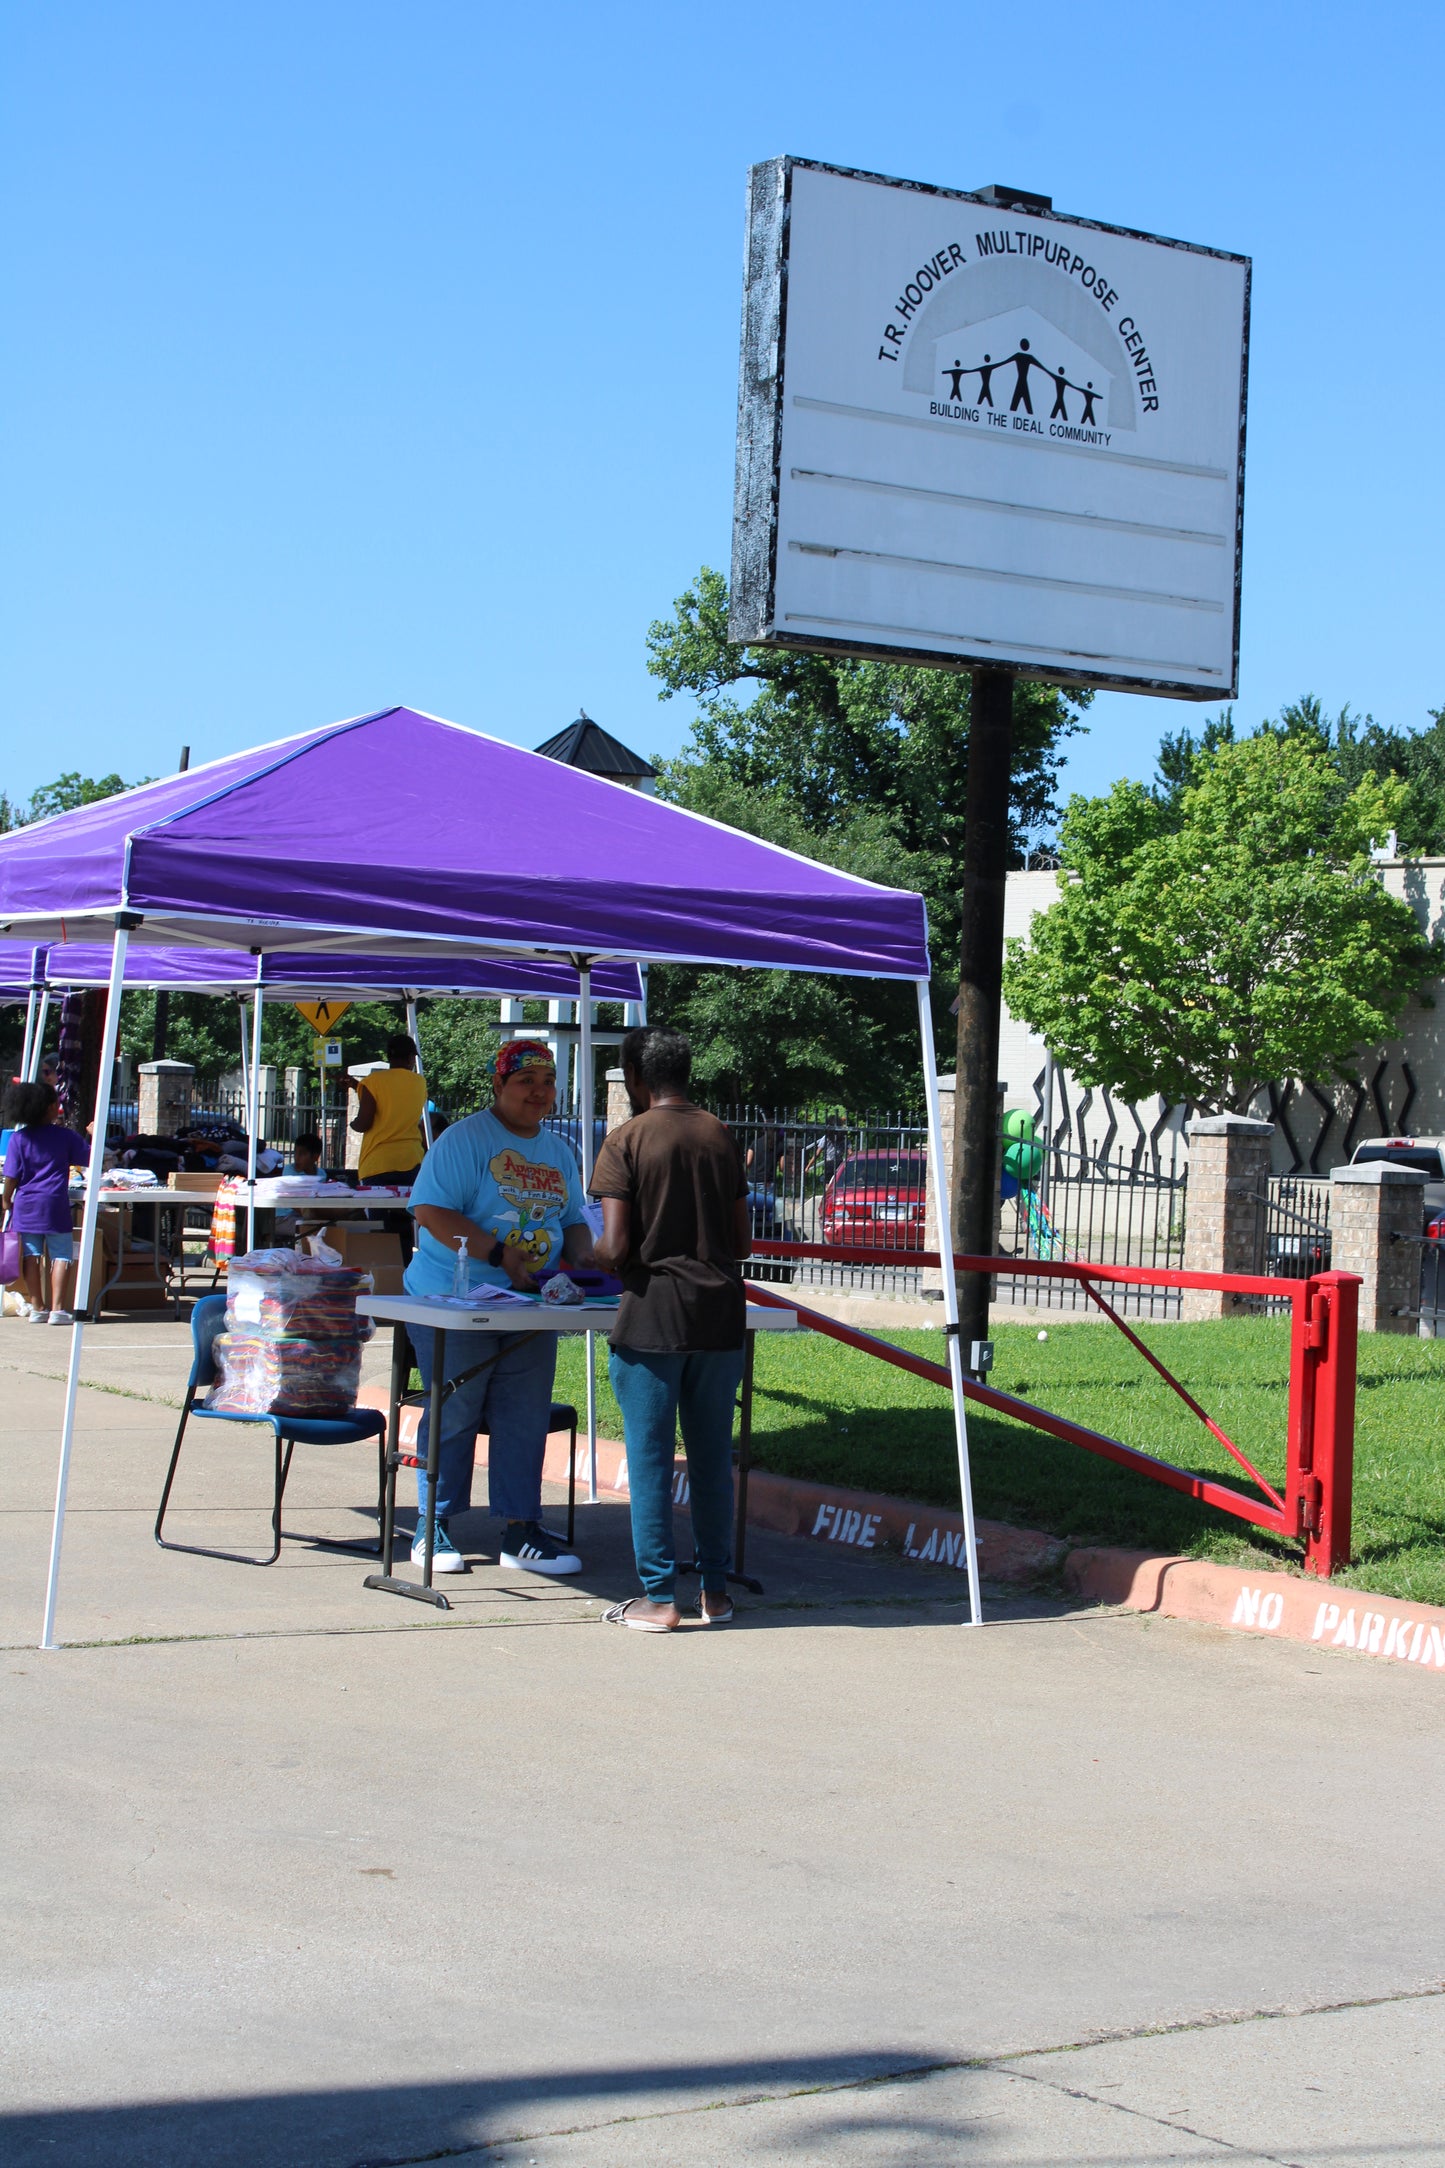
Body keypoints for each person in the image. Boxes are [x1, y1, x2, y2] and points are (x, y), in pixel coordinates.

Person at [403, 1039, 596, 1575]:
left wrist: (586, 1256)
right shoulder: (465, 1139)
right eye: (525, 1081)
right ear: (498, 1085)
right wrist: (498, 1254)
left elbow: (572, 1218)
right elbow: (430, 1210)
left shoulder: (558, 1151)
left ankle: (520, 1531)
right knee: (456, 1408)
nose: (539, 1092)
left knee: (524, 1415)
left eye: (547, 1082)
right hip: (455, 1300)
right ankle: (433, 1525)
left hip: (531, 1305)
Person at [590, 1025, 751, 1632]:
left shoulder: (625, 1140)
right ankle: (715, 1593)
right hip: (720, 1316)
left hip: (652, 1316)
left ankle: (658, 1598)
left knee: (651, 1460)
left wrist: (586, 1254)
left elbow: (614, 1246)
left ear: (635, 1077)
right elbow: (742, 1241)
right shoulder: (720, 1134)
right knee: (711, 1459)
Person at [1, 1080, 91, 1324]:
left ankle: (37, 1307)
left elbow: (11, 1176)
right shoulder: (65, 1136)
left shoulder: (18, 1139)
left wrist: (6, 1199)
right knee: (61, 1254)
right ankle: (58, 1309)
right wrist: (92, 1134)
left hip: (26, 1204)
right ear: (50, 1107)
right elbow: (89, 1157)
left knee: (31, 1255)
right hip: (54, 1203)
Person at [350, 1035, 429, 1262]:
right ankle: (404, 1269)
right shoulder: (419, 1082)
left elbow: (364, 1122)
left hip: (378, 1164)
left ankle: (384, 1273)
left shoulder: (373, 1082)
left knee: (380, 1227)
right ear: (411, 1057)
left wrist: (353, 1124)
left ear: (389, 1056)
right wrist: (357, 1087)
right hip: (411, 1161)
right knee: (405, 1223)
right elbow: (395, 1101)